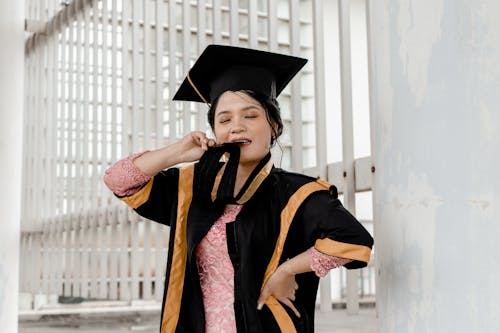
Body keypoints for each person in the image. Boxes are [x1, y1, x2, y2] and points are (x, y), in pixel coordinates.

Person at [103, 45, 374, 333]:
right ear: (216, 132)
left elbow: (355, 241)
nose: (237, 127)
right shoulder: (189, 188)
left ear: (275, 126)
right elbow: (118, 180)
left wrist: (287, 269)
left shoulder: (298, 194)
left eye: (251, 115)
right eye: (225, 119)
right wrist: (177, 152)